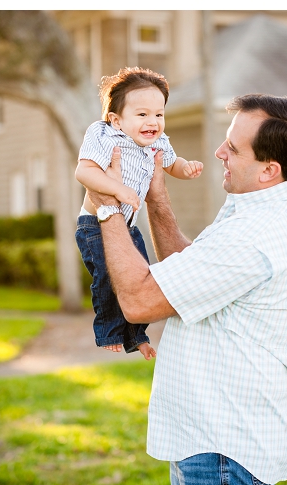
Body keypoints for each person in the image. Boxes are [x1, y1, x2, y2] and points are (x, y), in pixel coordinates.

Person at [86, 94, 287, 485]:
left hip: (224, 450)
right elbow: (193, 274)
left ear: (269, 170)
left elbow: (140, 301)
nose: (218, 153)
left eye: (232, 148)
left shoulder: (257, 235)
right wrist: (156, 198)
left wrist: (107, 205)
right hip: (210, 435)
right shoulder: (269, 203)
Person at [74, 67, 203, 359]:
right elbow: (84, 171)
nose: (153, 122)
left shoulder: (158, 142)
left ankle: (137, 336)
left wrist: (186, 168)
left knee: (139, 276)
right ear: (116, 120)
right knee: (108, 275)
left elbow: (172, 164)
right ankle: (107, 330)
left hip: (127, 225)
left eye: (159, 114)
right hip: (95, 224)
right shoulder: (103, 134)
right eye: (142, 114)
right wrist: (116, 190)